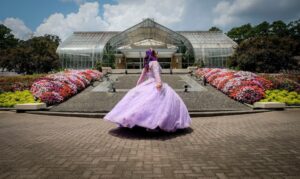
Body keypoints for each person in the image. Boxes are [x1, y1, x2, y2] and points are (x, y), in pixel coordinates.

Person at [104, 49, 191, 132]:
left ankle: (139, 122)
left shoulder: (147, 64)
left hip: (148, 83)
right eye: (155, 52)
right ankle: (154, 124)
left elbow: (141, 77)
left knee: (145, 105)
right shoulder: (154, 62)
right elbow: (156, 74)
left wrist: (137, 87)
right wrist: (159, 83)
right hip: (155, 83)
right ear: (153, 54)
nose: (156, 53)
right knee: (157, 105)